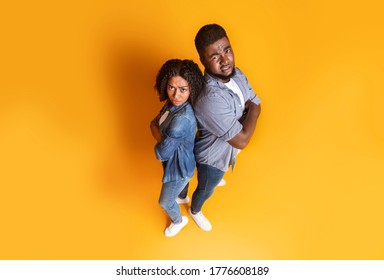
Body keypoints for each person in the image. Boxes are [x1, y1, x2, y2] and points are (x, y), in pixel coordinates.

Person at [187, 23, 262, 231]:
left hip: (227, 149)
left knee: (230, 151)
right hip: (212, 159)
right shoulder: (209, 99)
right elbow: (243, 139)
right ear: (203, 60)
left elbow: (255, 102)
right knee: (207, 187)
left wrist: (252, 109)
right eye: (214, 56)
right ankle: (195, 209)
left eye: (227, 50)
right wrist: (252, 111)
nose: (225, 60)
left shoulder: (236, 74)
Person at [150, 59, 203, 237]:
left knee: (165, 202)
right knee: (181, 188)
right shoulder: (172, 104)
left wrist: (157, 133)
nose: (176, 95)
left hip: (178, 168)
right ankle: (183, 197)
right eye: (171, 87)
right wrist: (160, 133)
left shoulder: (181, 120)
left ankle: (179, 221)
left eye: (183, 89)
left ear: (192, 89)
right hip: (181, 161)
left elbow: (162, 153)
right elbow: (155, 122)